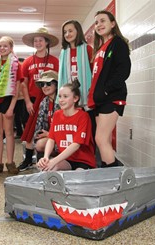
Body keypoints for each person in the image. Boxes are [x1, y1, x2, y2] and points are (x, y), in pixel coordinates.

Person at [87, 10, 131, 168]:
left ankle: (113, 176)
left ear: (112, 24)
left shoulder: (117, 43)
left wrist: (106, 90)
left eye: (103, 21)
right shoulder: (100, 48)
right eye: (97, 22)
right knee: (103, 140)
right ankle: (107, 175)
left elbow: (123, 70)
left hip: (111, 97)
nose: (99, 25)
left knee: (101, 139)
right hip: (100, 99)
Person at [18, 28, 59, 171]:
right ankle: (28, 159)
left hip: (50, 98)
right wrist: (28, 101)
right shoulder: (28, 61)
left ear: (47, 42)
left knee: (47, 127)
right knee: (30, 130)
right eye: (35, 41)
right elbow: (24, 83)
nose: (38, 43)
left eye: (41, 40)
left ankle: (48, 157)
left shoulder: (55, 61)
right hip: (33, 99)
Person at [36, 80, 96, 171]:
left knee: (76, 178)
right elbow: (51, 139)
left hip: (83, 161)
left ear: (75, 98)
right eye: (59, 96)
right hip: (66, 159)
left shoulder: (83, 116)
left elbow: (76, 145)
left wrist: (54, 160)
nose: (61, 100)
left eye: (65, 97)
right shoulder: (57, 115)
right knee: (48, 169)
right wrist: (46, 158)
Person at [0, 36, 23, 175]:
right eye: (0, 46)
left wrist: (12, 106)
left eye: (5, 46)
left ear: (11, 48)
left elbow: (17, 87)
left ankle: (10, 162)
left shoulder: (16, 64)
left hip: (8, 100)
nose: (2, 48)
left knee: (9, 133)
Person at [58, 19, 96, 144]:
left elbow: (93, 73)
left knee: (89, 130)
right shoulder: (63, 53)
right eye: (65, 32)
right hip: (70, 96)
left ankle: (91, 158)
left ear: (78, 31)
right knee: (72, 131)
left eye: (70, 31)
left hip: (86, 97)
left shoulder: (87, 49)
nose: (67, 34)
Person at [34, 70, 60, 161]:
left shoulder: (63, 101)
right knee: (39, 144)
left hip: (64, 138)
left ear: (56, 84)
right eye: (42, 84)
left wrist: (49, 135)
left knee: (41, 144)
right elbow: (38, 129)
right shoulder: (44, 103)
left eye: (48, 83)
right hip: (51, 139)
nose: (45, 87)